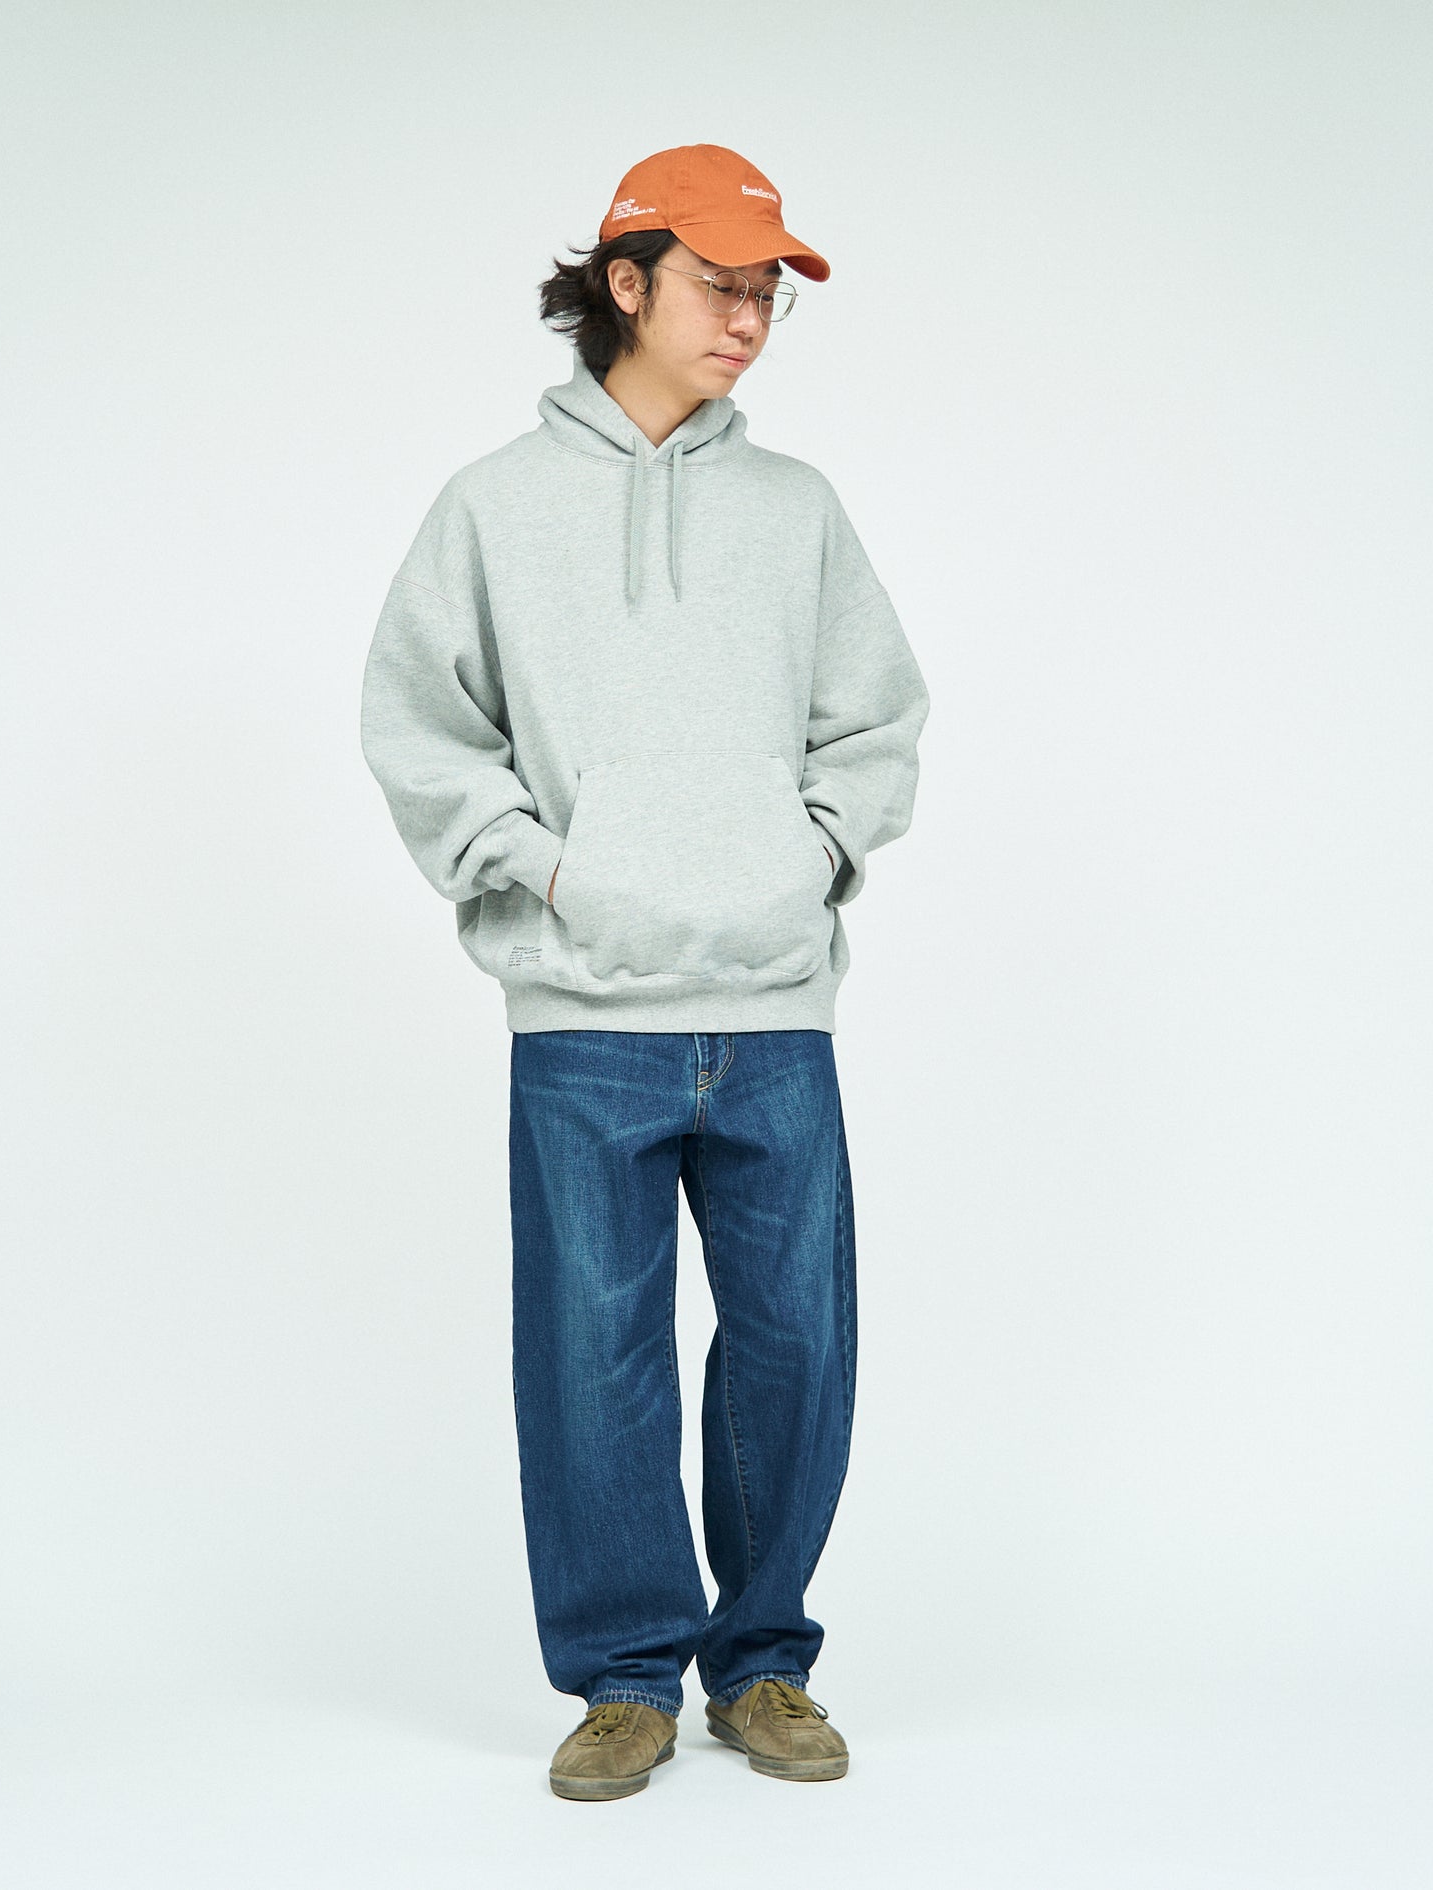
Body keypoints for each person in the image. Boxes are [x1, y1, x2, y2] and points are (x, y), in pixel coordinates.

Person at [360, 142, 931, 1800]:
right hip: (586, 1014)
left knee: (796, 1345)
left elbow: (877, 720)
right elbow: (419, 722)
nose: (749, 318)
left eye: (767, 296)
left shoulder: (797, 509)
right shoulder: (492, 505)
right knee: (590, 1354)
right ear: (626, 282)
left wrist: (802, 858)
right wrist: (545, 868)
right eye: (719, 286)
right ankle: (623, 1677)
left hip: (771, 1007)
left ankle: (761, 1662)